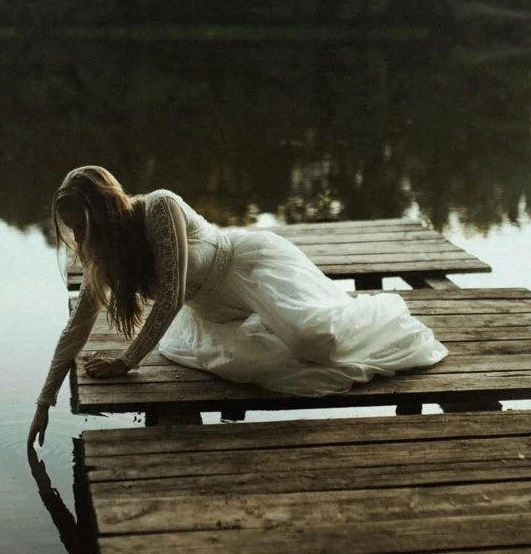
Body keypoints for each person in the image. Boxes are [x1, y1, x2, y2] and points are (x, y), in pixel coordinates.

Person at [27, 165, 446, 446]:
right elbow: (77, 326)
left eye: (83, 224)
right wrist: (44, 403)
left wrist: (127, 361)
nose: (80, 237)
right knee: (256, 367)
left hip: (249, 270)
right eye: (73, 229)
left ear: (104, 209)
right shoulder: (104, 250)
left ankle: (377, 319)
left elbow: (171, 293)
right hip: (213, 312)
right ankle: (275, 328)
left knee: (313, 343)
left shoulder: (159, 206)